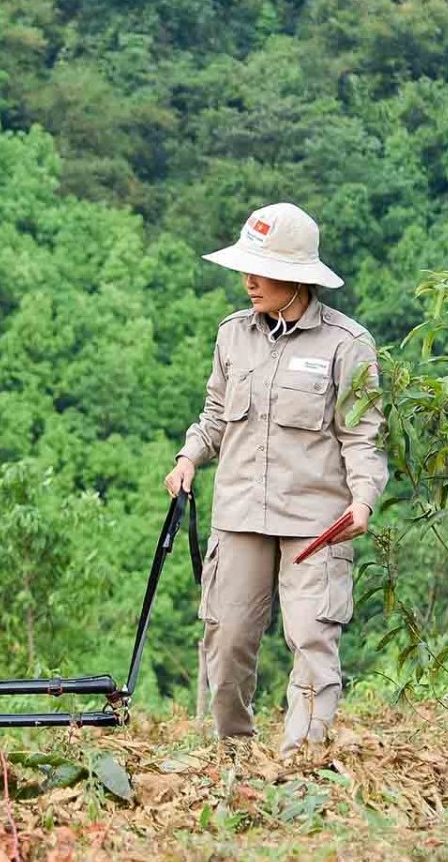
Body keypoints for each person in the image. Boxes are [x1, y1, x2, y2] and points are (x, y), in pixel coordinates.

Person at [164, 202, 387, 759]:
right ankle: (232, 752)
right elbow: (215, 415)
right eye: (245, 268)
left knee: (312, 637)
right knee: (228, 638)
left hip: (316, 521)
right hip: (239, 512)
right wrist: (189, 457)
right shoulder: (232, 337)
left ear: (295, 277)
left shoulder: (347, 345)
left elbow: (362, 434)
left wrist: (363, 499)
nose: (247, 281)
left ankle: (302, 762)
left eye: (259, 270)